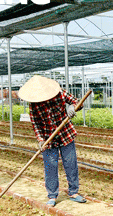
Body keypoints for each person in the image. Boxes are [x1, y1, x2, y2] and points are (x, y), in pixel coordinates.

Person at [18, 75, 87, 207]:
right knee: (50, 167)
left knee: (70, 164)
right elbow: (36, 124)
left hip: (65, 134)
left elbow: (77, 102)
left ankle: (73, 192)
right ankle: (52, 195)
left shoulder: (59, 94)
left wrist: (73, 107)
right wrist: (40, 140)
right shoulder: (34, 106)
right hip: (48, 138)